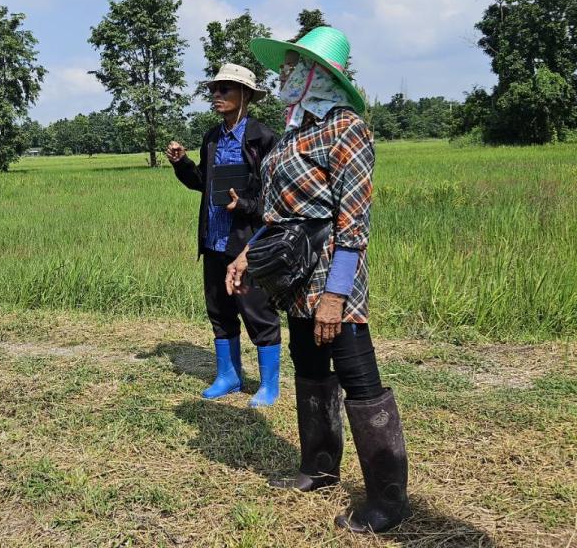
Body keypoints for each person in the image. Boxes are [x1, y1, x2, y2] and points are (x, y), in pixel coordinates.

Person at [226, 27, 411, 533]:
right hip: (293, 269)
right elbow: (274, 212)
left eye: (293, 66)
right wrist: (246, 255)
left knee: (356, 372)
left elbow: (354, 220)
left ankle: (387, 500)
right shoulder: (293, 132)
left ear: (318, 75)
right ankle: (319, 467)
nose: (283, 73)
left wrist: (336, 296)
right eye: (284, 65)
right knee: (308, 364)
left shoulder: (347, 127)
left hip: (334, 268)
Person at [166, 63, 279, 406]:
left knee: (256, 310)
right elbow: (205, 183)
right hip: (214, 239)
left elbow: (275, 197)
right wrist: (182, 163)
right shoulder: (212, 138)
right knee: (219, 310)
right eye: (214, 90)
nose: (216, 95)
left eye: (225, 89)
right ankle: (229, 376)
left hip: (248, 241)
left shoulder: (264, 138)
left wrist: (243, 204)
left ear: (245, 94)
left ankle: (269, 385)